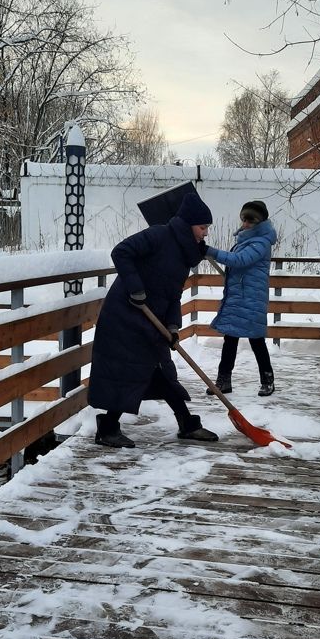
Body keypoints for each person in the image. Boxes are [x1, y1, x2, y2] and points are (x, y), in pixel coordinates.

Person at [88, 191, 219, 448]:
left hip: (150, 321)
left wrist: (172, 325)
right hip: (125, 317)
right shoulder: (159, 235)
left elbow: (172, 294)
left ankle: (186, 423)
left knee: (159, 371)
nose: (205, 233)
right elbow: (121, 252)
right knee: (130, 370)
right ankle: (108, 428)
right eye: (202, 227)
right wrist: (135, 287)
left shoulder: (183, 255)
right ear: (189, 224)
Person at [205, 199, 277, 397]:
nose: (245, 224)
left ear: (260, 222)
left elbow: (240, 260)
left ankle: (267, 380)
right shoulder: (246, 240)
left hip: (252, 298)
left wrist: (209, 251)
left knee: (256, 340)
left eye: (250, 221)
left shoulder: (261, 242)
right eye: (244, 219)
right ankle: (223, 381)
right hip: (239, 296)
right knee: (230, 339)